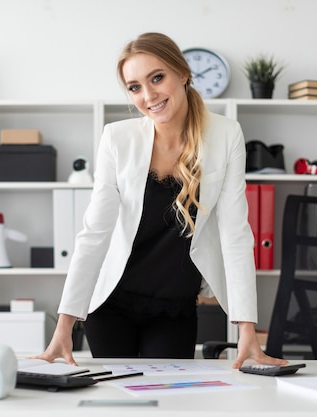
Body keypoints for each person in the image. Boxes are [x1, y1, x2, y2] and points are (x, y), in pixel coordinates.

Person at [37, 32, 287, 369]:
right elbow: (95, 233)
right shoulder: (117, 138)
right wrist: (65, 324)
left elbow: (235, 234)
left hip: (174, 307)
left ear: (183, 73)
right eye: (135, 86)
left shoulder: (226, 135)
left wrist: (247, 330)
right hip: (112, 303)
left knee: (171, 399)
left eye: (157, 78)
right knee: (117, 400)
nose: (149, 95)